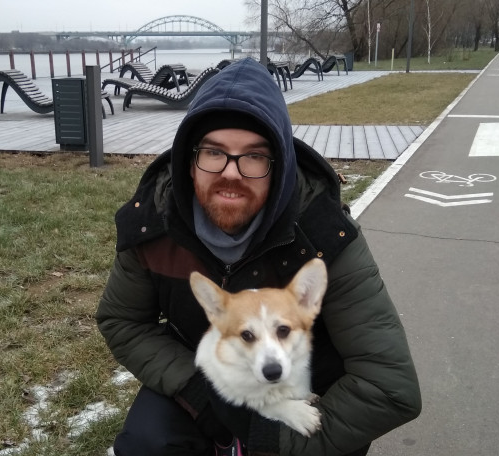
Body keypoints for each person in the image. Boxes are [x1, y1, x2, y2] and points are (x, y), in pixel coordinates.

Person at [96, 57, 421, 456]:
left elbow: (389, 386)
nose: (231, 172)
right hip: (202, 372)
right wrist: (199, 391)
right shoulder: (154, 223)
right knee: (148, 443)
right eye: (213, 152)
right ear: (189, 161)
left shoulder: (324, 236)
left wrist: (274, 440)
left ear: (278, 167)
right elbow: (122, 321)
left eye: (254, 156)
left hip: (306, 392)